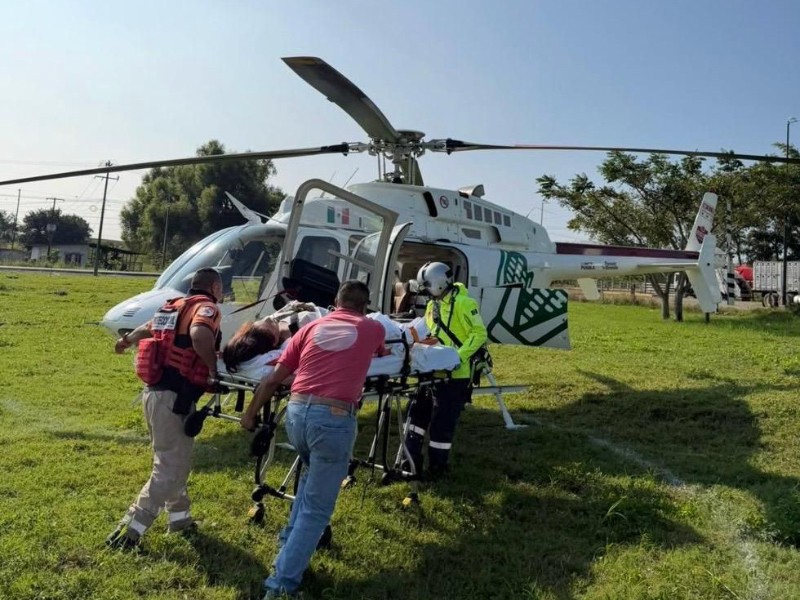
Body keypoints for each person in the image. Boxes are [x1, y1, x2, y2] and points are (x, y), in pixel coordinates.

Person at [240, 280, 387, 599]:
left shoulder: (310, 329)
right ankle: (280, 586)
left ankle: (288, 543)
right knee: (317, 508)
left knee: (309, 480)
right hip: (332, 420)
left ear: (336, 301)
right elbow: (381, 353)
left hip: (296, 414)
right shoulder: (372, 328)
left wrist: (250, 414)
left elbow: (272, 378)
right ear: (365, 306)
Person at [106, 267, 223, 549]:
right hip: (175, 398)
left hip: (154, 396)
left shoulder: (172, 306)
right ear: (214, 287)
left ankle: (180, 519)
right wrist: (213, 370)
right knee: (169, 467)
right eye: (221, 288)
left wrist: (125, 341)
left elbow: (147, 328)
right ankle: (129, 530)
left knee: (174, 459)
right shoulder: (207, 309)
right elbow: (199, 336)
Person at [404, 261, 487, 479]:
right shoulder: (433, 306)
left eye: (427, 286)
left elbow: (479, 334)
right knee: (415, 416)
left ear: (439, 283)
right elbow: (434, 333)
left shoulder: (464, 303)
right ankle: (410, 463)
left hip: (456, 375)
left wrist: (457, 357)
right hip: (431, 371)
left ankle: (437, 469)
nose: (426, 293)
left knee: (442, 424)